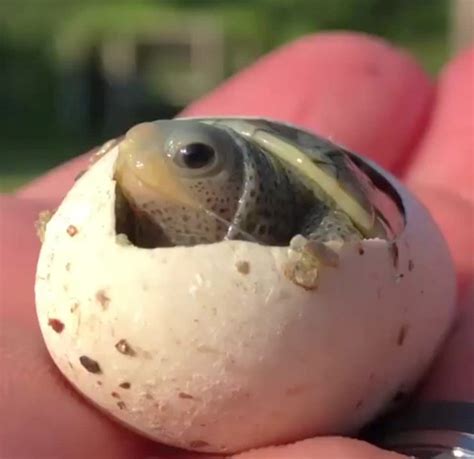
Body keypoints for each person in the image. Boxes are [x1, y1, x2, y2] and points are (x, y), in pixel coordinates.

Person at [0, 32, 472, 459]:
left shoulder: (321, 220)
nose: (135, 160)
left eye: (195, 158)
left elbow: (368, 253)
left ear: (250, 189)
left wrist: (332, 255)